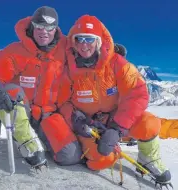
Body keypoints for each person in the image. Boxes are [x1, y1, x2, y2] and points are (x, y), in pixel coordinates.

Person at [57, 15, 172, 186]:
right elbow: (61, 101)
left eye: (89, 39)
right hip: (88, 126)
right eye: (79, 39)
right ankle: (85, 150)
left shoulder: (117, 63)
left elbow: (138, 93)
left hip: (115, 120)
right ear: (73, 42)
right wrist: (75, 120)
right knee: (101, 162)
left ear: (99, 41)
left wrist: (117, 128)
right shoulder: (67, 69)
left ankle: (148, 159)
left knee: (149, 123)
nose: (84, 44)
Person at [0, 6, 83, 169]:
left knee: (69, 156)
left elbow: (89, 50)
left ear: (56, 30)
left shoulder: (66, 51)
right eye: (40, 26)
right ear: (32, 26)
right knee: (11, 90)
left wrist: (110, 53)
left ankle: (40, 137)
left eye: (49, 28)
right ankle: (28, 144)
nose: (44, 32)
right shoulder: (15, 51)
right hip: (20, 110)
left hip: (49, 114)